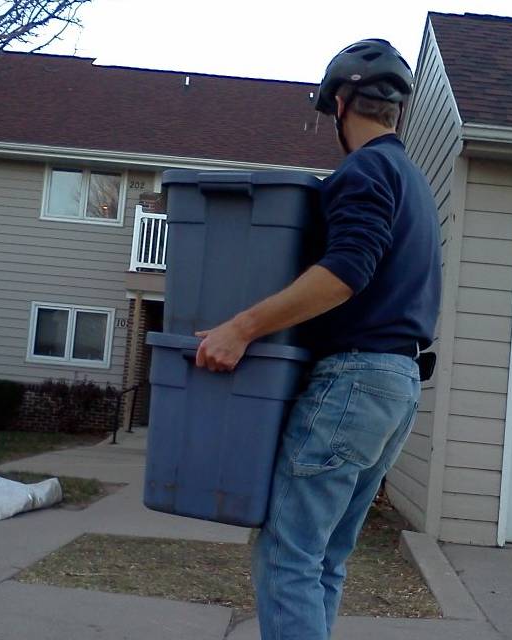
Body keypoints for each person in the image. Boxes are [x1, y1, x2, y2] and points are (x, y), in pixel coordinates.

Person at [193, 38, 442, 640]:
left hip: (354, 384)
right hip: (398, 384)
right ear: (397, 109)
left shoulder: (364, 170)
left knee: (287, 556)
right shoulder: (412, 181)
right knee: (322, 559)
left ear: (340, 103)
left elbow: (345, 273)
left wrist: (241, 327)